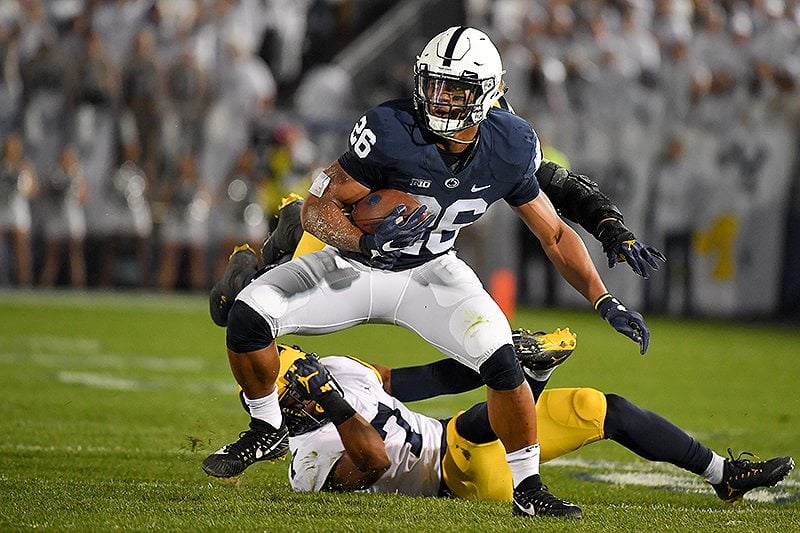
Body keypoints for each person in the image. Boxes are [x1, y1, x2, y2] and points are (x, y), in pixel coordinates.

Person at [205, 27, 655, 519]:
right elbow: (319, 206)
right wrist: (361, 240)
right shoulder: (390, 128)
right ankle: (267, 427)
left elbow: (554, 231)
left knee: (503, 360)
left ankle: (528, 488)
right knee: (248, 315)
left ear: (487, 94)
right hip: (356, 264)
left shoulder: (510, 143)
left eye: (456, 89)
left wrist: (602, 297)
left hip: (430, 273)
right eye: (435, 84)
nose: (441, 99)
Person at [266, 340, 794, 510]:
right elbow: (374, 462)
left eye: (308, 373)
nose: (312, 382)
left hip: (459, 434)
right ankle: (528, 380)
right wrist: (335, 407)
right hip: (457, 479)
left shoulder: (339, 371)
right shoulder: (303, 459)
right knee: (470, 431)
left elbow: (419, 379)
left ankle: (723, 473)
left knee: (601, 406)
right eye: (302, 384)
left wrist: (490, 358)